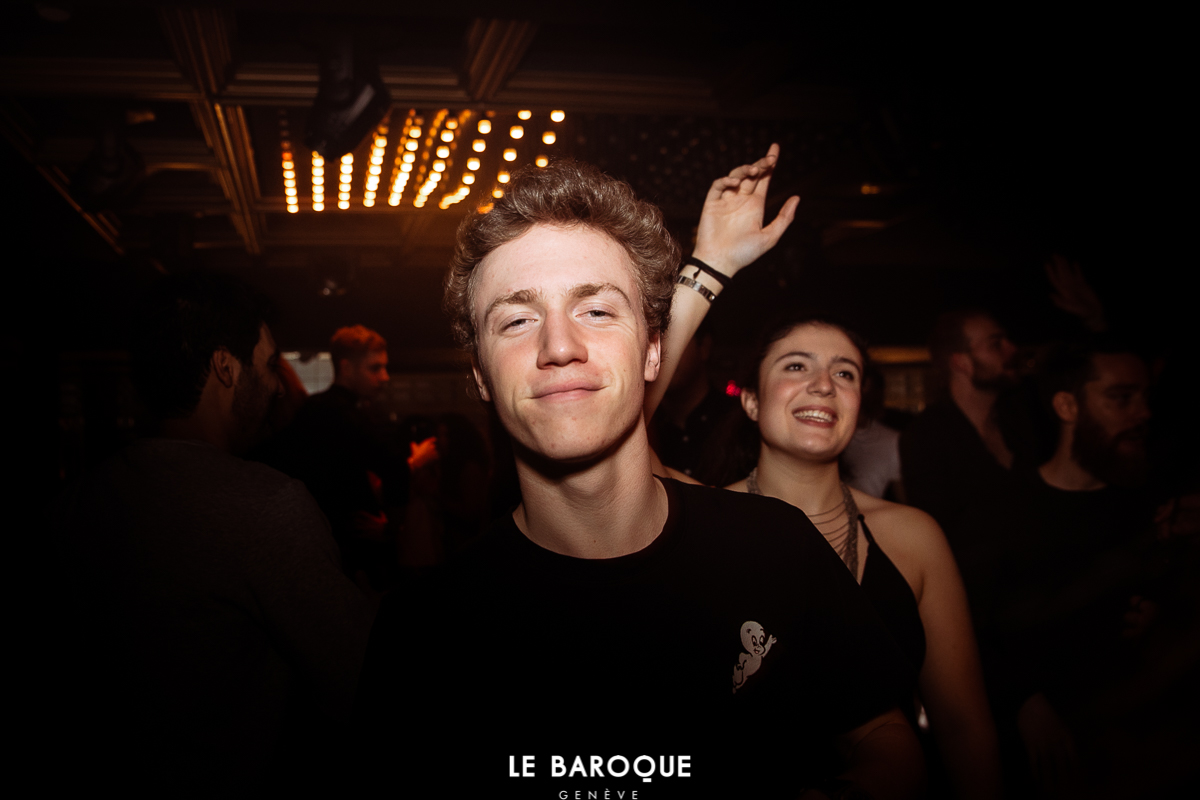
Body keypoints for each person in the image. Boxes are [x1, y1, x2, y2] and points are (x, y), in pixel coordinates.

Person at [356, 157, 924, 798]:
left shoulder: (776, 546)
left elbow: (885, 736)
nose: (559, 346)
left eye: (597, 311)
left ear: (654, 348)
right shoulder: (422, 632)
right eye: (516, 320)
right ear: (481, 375)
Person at [648, 147, 1001, 800]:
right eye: (795, 366)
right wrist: (709, 267)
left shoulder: (913, 538)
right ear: (751, 402)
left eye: (845, 372)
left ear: (860, 406)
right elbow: (621, 425)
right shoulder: (700, 521)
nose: (823, 384)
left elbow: (964, 729)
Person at [56, 271, 375, 795]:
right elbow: (363, 681)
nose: (277, 385)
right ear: (226, 368)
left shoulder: (77, 502)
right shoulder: (264, 507)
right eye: (267, 365)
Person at [963, 337, 1161, 797]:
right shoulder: (1000, 513)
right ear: (1067, 406)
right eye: (1121, 398)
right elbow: (966, 633)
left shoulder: (1150, 509)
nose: (1143, 413)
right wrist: (1023, 701)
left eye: (1145, 398)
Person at [268, 325, 407, 587]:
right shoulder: (344, 414)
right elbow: (396, 466)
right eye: (375, 368)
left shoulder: (314, 410)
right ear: (346, 368)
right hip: (355, 553)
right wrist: (392, 529)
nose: (385, 377)